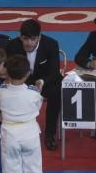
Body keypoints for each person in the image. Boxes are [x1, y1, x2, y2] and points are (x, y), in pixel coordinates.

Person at [0, 55, 45, 173]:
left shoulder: (1, 91)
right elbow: (37, 104)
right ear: (27, 73)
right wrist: (38, 87)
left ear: (7, 72)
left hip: (9, 135)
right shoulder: (33, 93)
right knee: (34, 172)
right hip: (30, 134)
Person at [5, 19, 63, 151]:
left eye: (33, 39)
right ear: (20, 36)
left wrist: (42, 82)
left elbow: (55, 72)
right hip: (21, 82)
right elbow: (9, 70)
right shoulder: (12, 46)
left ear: (39, 37)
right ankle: (11, 131)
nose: (29, 43)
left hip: (44, 81)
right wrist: (20, 84)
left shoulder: (51, 44)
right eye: (25, 39)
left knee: (56, 93)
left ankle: (49, 134)